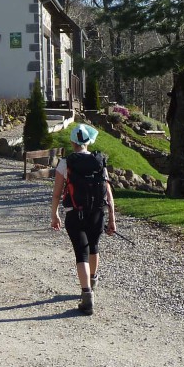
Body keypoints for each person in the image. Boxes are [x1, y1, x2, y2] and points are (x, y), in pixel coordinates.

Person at [50, 123, 116, 315]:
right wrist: (112, 217)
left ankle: (87, 297)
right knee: (94, 247)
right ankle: (92, 281)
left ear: (72, 142)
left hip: (74, 213)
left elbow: (56, 194)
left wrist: (54, 214)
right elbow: (108, 191)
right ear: (87, 142)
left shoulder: (65, 163)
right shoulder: (99, 160)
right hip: (97, 212)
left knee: (81, 253)